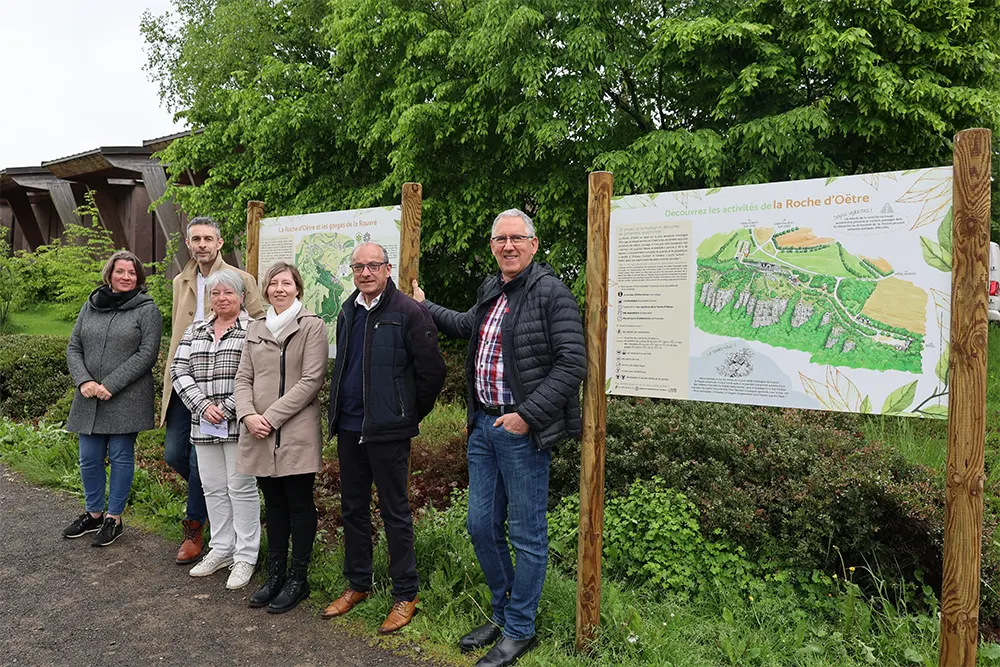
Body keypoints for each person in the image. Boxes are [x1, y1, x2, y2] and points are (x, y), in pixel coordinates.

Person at [412, 209, 586, 667]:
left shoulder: (552, 293)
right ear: (492, 245)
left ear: (533, 243)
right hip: (483, 429)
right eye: (499, 239)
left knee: (527, 535)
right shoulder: (493, 289)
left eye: (516, 238)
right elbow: (468, 326)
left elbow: (572, 364)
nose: (507, 246)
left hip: (521, 432)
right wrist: (424, 305)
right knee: (480, 525)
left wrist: (526, 416)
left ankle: (520, 629)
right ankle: (505, 610)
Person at [322, 243, 446, 633]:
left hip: (389, 432)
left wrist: (405, 413)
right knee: (353, 509)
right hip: (350, 426)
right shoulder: (348, 309)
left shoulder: (409, 312)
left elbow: (433, 373)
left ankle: (405, 593)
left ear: (388, 269)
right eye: (358, 266)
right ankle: (358, 583)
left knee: (395, 512)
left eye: (373, 265)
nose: (365, 272)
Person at [162, 216, 264, 565]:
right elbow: (179, 329)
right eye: (195, 239)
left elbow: (258, 327)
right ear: (188, 243)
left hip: (227, 385)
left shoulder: (242, 280)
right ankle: (218, 514)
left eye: (208, 238)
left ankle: (195, 527)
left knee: (202, 460)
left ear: (220, 243)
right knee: (176, 453)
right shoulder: (181, 280)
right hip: (189, 381)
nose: (202, 244)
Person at [235, 261, 328, 614]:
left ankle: (297, 578)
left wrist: (270, 417)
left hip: (294, 430)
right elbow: (243, 377)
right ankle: (275, 575)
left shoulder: (312, 326)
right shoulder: (255, 328)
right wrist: (247, 415)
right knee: (273, 504)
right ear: (265, 289)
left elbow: (311, 380)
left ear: (298, 288)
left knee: (299, 504)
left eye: (286, 283)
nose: (279, 289)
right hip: (257, 429)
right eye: (273, 283)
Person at [64, 250, 163, 547]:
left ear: (139, 278)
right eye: (120, 272)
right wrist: (84, 380)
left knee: (121, 458)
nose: (126, 277)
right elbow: (73, 346)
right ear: (109, 274)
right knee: (89, 458)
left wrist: (111, 384)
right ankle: (94, 514)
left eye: (132, 273)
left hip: (126, 397)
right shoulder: (90, 305)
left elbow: (147, 354)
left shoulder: (148, 310)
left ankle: (114, 518)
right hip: (89, 396)